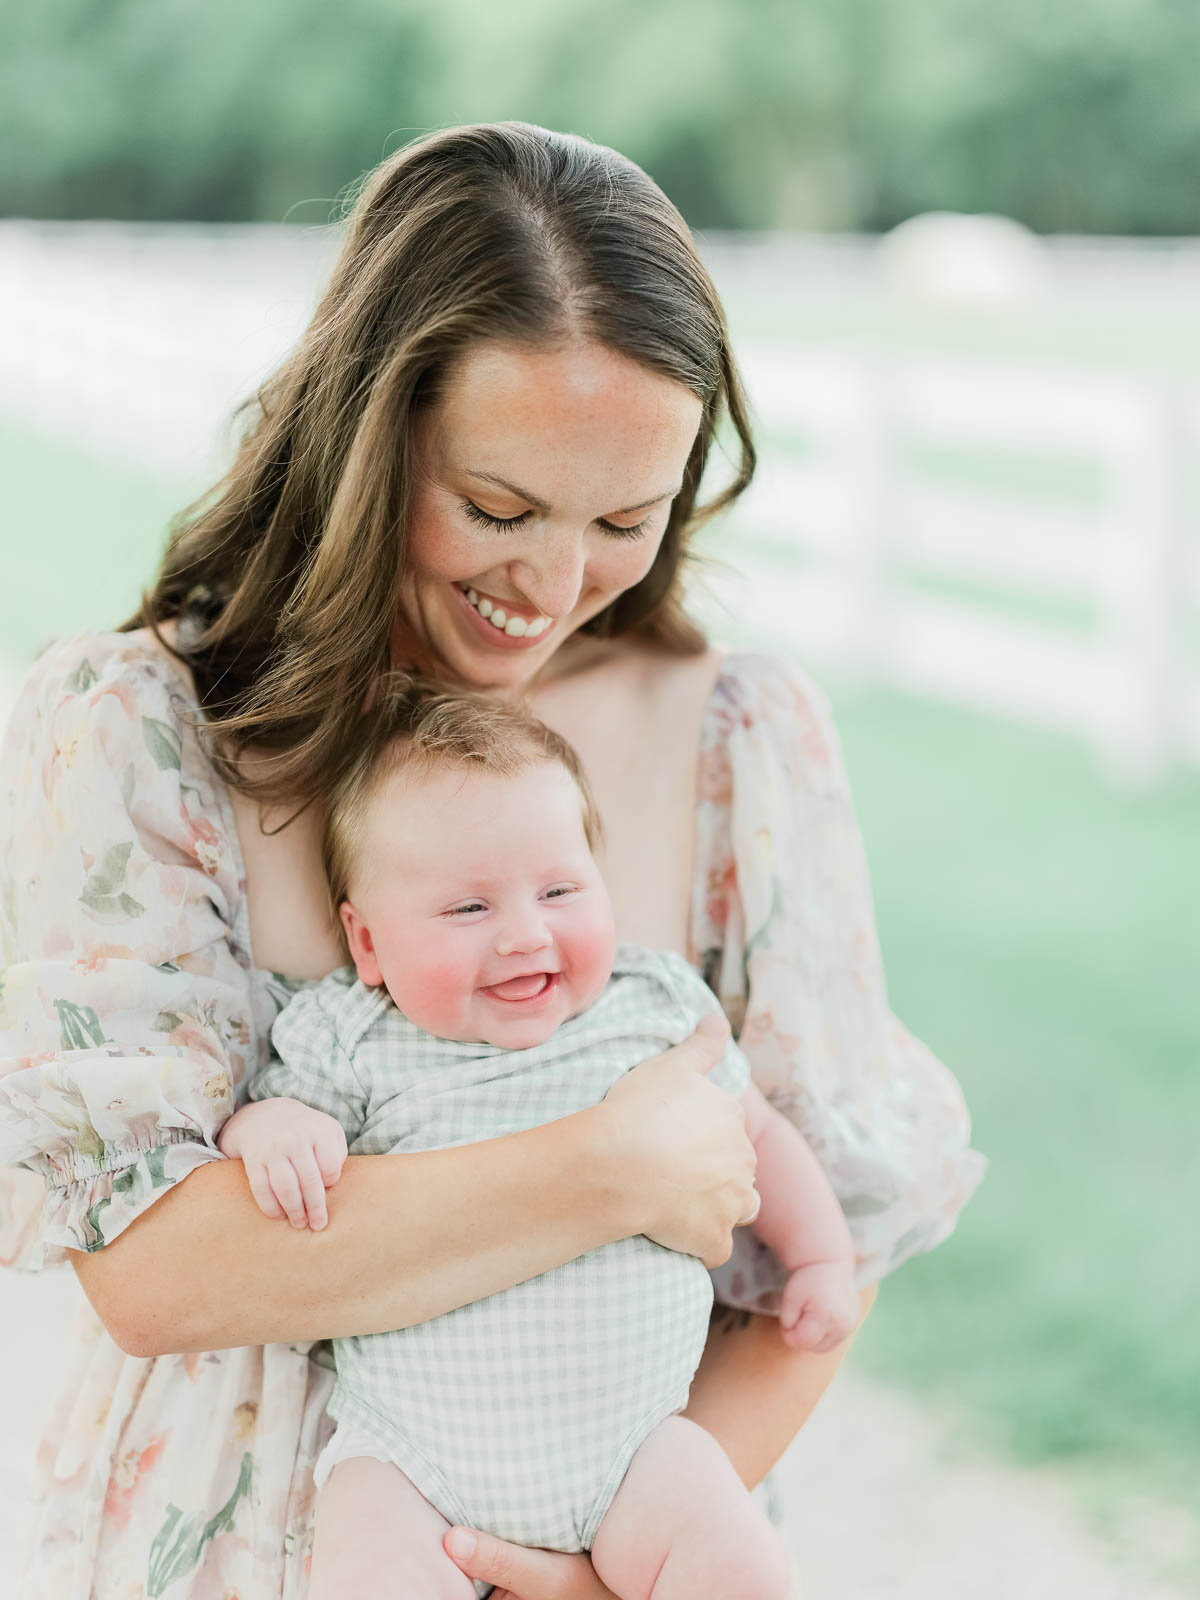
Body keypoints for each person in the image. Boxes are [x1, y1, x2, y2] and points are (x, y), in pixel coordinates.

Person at [0, 121, 986, 1598]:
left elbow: (815, 1284)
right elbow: (157, 1269)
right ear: (363, 441)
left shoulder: (736, 746)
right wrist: (607, 1166)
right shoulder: (141, 732)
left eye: (623, 523)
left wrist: (589, 1573)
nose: (551, 585)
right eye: (500, 509)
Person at [216, 678, 861, 1598]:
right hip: (411, 1463)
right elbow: (276, 1115)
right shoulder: (354, 1038)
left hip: (633, 1450)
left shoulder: (649, 1009)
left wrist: (822, 1259)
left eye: (560, 890)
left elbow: (754, 1128)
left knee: (744, 1573)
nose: (525, 934)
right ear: (368, 945)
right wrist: (269, 1127)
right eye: (468, 909)